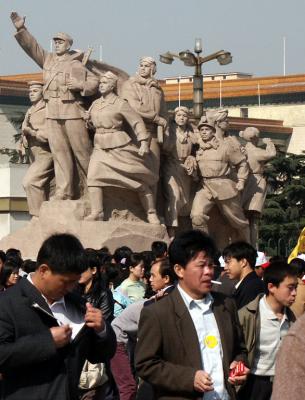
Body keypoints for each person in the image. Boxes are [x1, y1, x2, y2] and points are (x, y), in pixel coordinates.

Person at [0, 233, 116, 400]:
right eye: (65, 281)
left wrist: (102, 330)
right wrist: (47, 341)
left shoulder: (79, 305)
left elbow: (99, 355)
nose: (71, 287)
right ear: (44, 271)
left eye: (75, 281)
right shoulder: (8, 303)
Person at [136, 230, 249, 400]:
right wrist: (189, 378)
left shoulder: (226, 305)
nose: (209, 272)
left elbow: (240, 349)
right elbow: (146, 364)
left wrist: (239, 364)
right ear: (179, 270)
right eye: (201, 265)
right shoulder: (157, 313)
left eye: (211, 265)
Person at [11, 12, 99, 200]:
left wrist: (80, 86)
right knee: (60, 153)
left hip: (72, 112)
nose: (57, 44)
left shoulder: (77, 64)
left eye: (61, 42)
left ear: (68, 45)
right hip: (52, 112)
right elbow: (32, 48)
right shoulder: (48, 60)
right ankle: (64, 191)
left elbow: (94, 83)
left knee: (82, 152)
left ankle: (95, 189)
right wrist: (21, 29)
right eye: (56, 42)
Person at [84, 71, 160, 224]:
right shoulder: (96, 104)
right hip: (100, 145)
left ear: (112, 85)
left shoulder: (120, 103)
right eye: (101, 83)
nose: (101, 85)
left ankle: (151, 212)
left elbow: (136, 122)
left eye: (105, 82)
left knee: (136, 179)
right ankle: (97, 212)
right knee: (93, 177)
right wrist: (88, 121)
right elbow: (92, 125)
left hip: (119, 145)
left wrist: (144, 142)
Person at [111, 258, 175, 400]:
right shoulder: (154, 302)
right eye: (149, 275)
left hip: (129, 340)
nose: (149, 279)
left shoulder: (165, 297)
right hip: (118, 340)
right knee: (128, 387)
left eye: (153, 276)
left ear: (166, 278)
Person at [238, 261, 297, 400]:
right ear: (271, 287)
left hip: (283, 383)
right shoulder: (249, 315)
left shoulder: (292, 317)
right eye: (290, 288)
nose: (294, 293)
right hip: (255, 384)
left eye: (296, 288)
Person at [190, 118, 250, 242]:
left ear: (213, 131)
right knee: (196, 216)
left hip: (223, 186)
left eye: (207, 129)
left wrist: (241, 180)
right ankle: (205, 249)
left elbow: (242, 163)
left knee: (238, 221)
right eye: (201, 130)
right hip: (205, 186)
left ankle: (247, 245)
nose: (204, 132)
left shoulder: (225, 147)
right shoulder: (198, 148)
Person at [121, 57, 168, 189]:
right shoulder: (130, 85)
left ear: (152, 69)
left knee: (153, 172)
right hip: (135, 133)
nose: (142, 68)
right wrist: (156, 118)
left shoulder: (157, 89)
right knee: (135, 170)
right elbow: (135, 107)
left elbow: (164, 112)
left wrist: (164, 125)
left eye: (146, 66)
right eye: (141, 65)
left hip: (153, 135)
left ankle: (151, 207)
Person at [161, 106, 197, 237]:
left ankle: (181, 230)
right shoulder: (170, 130)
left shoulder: (192, 132)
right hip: (171, 166)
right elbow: (164, 147)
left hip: (185, 170)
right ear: (174, 117)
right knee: (174, 196)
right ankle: (171, 232)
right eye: (179, 115)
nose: (182, 118)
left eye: (184, 116)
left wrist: (192, 157)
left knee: (185, 202)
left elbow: (199, 147)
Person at [21, 81, 54, 217]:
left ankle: (38, 216)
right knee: (44, 186)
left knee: (30, 182)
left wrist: (32, 132)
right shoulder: (30, 110)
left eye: (35, 91)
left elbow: (50, 134)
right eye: (30, 92)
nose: (31, 94)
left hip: (45, 153)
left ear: (43, 92)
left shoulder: (47, 109)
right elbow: (24, 130)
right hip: (33, 154)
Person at [240, 127, 276, 245]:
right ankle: (252, 245)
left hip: (244, 182)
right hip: (256, 182)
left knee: (244, 215)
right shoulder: (256, 151)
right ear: (255, 137)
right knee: (254, 218)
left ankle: (246, 243)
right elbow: (271, 154)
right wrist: (269, 143)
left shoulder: (242, 150)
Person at [271, 311, 305, 400]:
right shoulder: (299, 334)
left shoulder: (291, 316)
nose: (294, 295)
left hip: (279, 376)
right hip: (256, 379)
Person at [223, 241, 265, 309]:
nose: (225, 267)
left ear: (243, 262)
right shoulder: (249, 284)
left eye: (228, 262)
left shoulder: (251, 288)